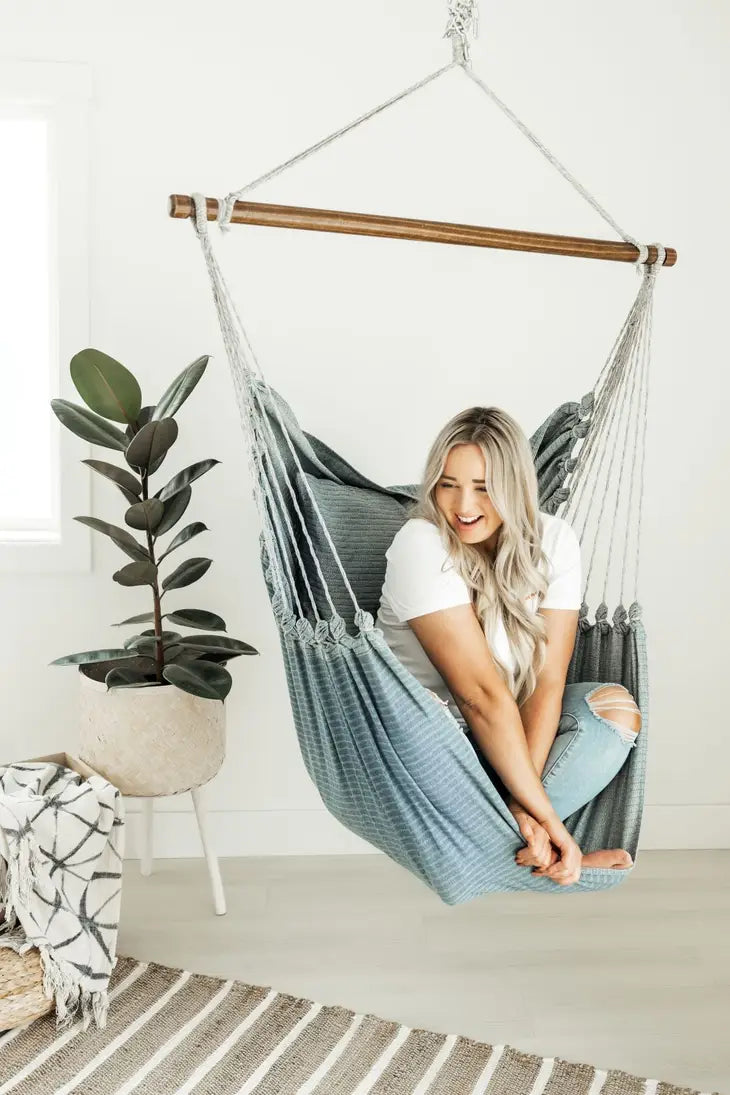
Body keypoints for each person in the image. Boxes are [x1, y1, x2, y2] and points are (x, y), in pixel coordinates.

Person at [375, 405, 642, 887]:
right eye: (447, 483)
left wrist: (526, 805)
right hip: (432, 740)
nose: (462, 505)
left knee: (614, 712)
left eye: (483, 486)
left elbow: (546, 681)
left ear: (515, 486)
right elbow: (477, 697)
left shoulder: (554, 540)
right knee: (463, 720)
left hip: (504, 727)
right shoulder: (421, 543)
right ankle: (550, 850)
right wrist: (555, 820)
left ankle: (517, 843)